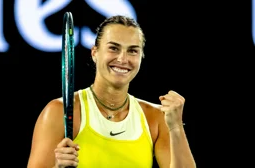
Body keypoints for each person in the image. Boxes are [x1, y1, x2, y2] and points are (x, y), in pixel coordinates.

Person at [27, 15, 196, 168]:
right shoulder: (58, 111)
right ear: (95, 53)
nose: (123, 59)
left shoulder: (156, 118)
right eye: (114, 48)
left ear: (141, 57)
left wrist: (175, 128)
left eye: (132, 51)